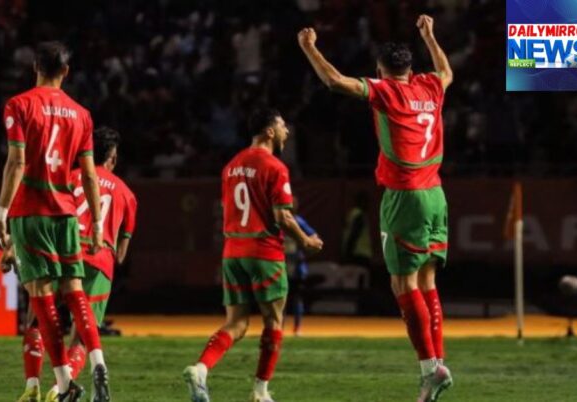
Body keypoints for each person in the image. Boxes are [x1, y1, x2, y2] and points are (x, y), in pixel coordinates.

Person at [299, 14, 453, 402]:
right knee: (429, 283)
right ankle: (439, 367)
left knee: (403, 284)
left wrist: (309, 47)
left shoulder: (386, 92)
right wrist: (431, 37)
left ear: (381, 71)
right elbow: (446, 70)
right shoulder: (431, 86)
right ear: (412, 69)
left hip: (405, 195)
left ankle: (427, 370)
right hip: (436, 193)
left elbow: (335, 82)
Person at [0, 41, 109, 402]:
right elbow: (88, 175)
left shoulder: (20, 104)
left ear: (34, 67)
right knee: (74, 291)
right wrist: (98, 225)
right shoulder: (82, 114)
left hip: (32, 211)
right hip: (68, 214)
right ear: (66, 72)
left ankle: (62, 379)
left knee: (41, 298)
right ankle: (98, 361)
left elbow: (17, 163)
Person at [183, 108, 323, 402]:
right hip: (264, 251)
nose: (287, 131)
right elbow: (283, 217)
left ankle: (201, 369)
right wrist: (306, 240)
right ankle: (260, 391)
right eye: (283, 126)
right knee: (273, 322)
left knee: (236, 323)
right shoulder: (275, 167)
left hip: (233, 251)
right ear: (270, 131)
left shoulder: (230, 166)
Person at [7, 127, 138, 402]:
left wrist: (12, 246)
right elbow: (122, 254)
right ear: (112, 158)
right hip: (100, 260)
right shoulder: (128, 195)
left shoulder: (67, 177)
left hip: (62, 251)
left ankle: (33, 386)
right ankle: (60, 389)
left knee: (36, 320)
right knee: (81, 336)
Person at [282, 196, 318, 336]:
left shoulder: (299, 222)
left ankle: (297, 327)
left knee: (296, 298)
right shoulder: (279, 222)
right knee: (281, 299)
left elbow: (314, 236)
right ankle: (279, 328)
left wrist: (306, 249)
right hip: (282, 267)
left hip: (296, 268)